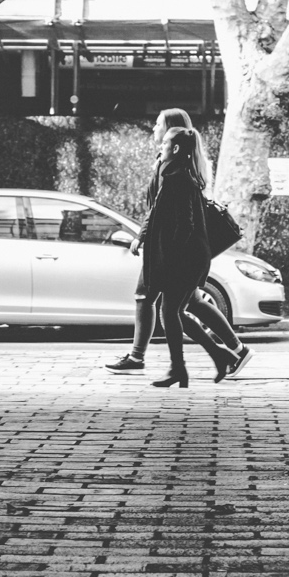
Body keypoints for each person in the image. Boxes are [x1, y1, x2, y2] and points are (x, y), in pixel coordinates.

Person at [103, 108, 252, 381]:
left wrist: (150, 241)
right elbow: (160, 210)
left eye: (159, 125)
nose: (154, 129)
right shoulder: (173, 164)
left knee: (157, 302)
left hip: (174, 252)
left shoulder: (177, 171)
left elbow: (176, 218)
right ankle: (227, 352)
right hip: (173, 250)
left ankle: (147, 358)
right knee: (181, 307)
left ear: (173, 137)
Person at [136, 127, 215, 388]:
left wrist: (170, 260)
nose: (161, 146)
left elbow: (185, 225)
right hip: (188, 258)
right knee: (173, 312)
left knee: (169, 312)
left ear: (176, 148)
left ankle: (179, 369)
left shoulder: (178, 178)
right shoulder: (176, 174)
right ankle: (215, 356)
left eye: (166, 143)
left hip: (185, 260)